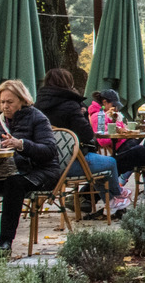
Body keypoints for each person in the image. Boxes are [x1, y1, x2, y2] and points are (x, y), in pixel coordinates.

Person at [0, 79, 63, 253]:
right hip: (10, 170)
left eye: (10, 102)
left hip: (41, 171)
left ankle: (5, 243)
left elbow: (49, 150)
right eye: (2, 102)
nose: (5, 106)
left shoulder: (38, 118)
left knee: (13, 183)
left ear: (23, 100)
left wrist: (21, 144)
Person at [37, 69, 127, 217]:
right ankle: (115, 201)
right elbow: (87, 135)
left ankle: (113, 203)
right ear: (68, 83)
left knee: (99, 165)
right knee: (110, 163)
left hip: (44, 166)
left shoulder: (37, 107)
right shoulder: (71, 105)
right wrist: (83, 114)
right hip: (70, 164)